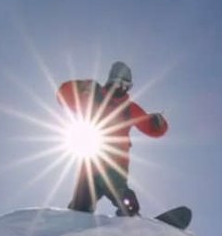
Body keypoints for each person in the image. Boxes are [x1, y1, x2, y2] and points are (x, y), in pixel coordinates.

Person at [57, 61, 168, 216]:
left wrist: (158, 123)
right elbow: (63, 95)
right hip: (90, 164)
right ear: (110, 81)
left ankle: (132, 218)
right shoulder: (92, 97)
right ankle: (73, 226)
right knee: (79, 207)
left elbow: (151, 128)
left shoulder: (129, 107)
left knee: (120, 193)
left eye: (127, 85)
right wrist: (82, 86)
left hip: (115, 163)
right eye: (119, 83)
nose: (122, 88)